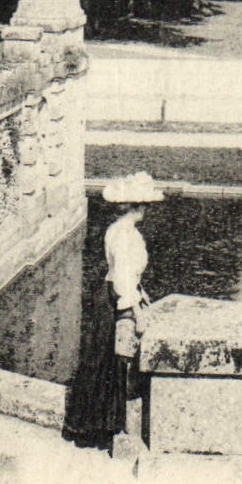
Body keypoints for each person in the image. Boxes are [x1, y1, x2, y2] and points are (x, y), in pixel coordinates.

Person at [62, 171, 163, 450]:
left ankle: (90, 425)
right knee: (111, 363)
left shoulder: (115, 229)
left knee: (100, 360)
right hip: (114, 299)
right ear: (138, 206)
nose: (147, 209)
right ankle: (102, 428)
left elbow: (121, 273)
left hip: (106, 294)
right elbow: (123, 278)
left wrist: (139, 293)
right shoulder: (128, 236)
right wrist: (135, 311)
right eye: (145, 204)